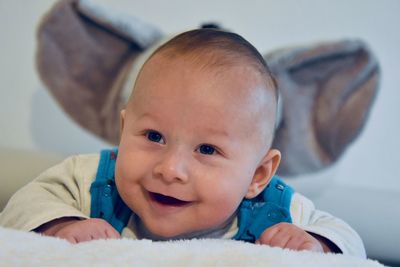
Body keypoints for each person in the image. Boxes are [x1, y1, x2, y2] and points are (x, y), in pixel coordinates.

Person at [0, 29, 365, 257]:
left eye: (207, 149)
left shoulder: (277, 211)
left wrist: (316, 244)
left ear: (258, 174)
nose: (170, 169)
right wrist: (61, 225)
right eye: (153, 137)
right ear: (124, 129)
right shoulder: (93, 180)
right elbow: (22, 206)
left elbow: (351, 242)